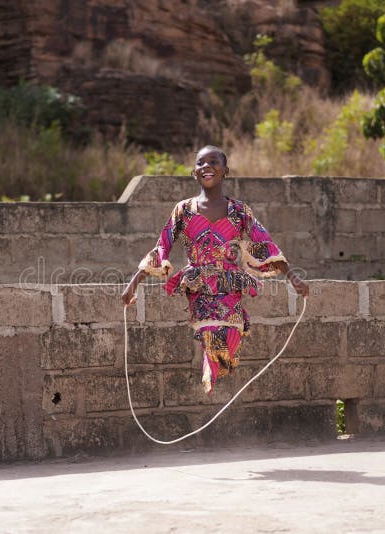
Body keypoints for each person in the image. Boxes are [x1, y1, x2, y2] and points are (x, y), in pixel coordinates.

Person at [121, 145, 309, 394]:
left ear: (225, 171)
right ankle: (209, 370)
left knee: (231, 338)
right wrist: (133, 282)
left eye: (213, 162)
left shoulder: (240, 211)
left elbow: (265, 244)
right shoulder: (183, 210)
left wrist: (293, 278)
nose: (206, 166)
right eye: (200, 163)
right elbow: (162, 246)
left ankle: (215, 368)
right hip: (199, 285)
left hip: (230, 285)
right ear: (194, 173)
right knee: (209, 330)